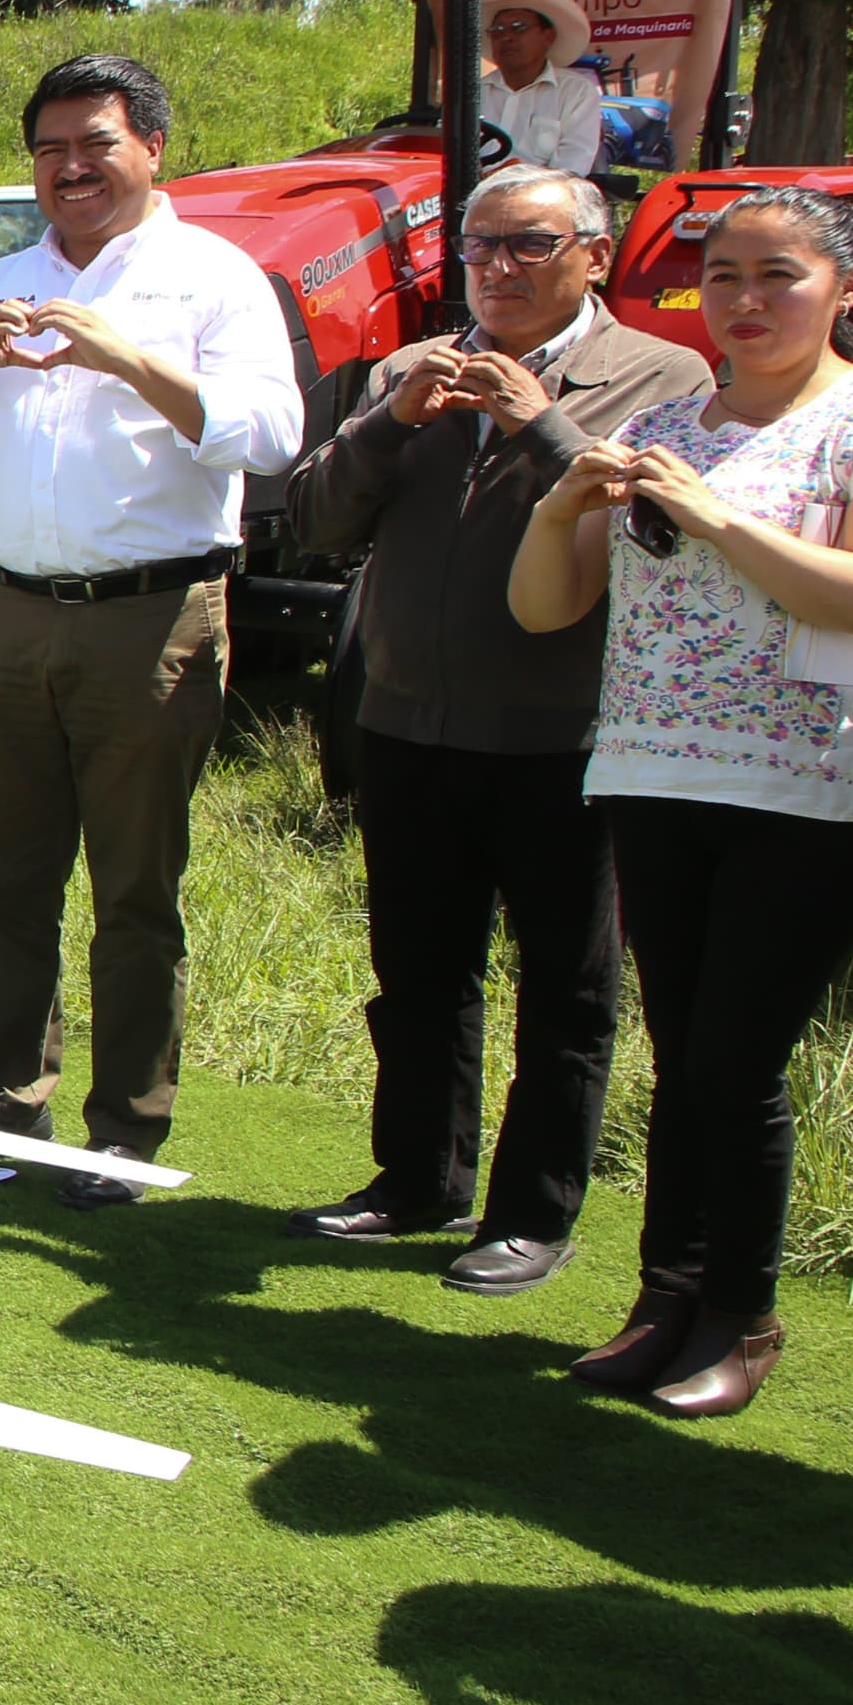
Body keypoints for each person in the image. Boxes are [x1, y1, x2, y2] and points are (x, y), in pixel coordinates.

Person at [0, 53, 304, 1196]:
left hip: (148, 615)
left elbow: (271, 434)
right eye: (48, 148)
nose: (70, 167)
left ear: (151, 147)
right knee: (5, 879)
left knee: (131, 890)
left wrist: (127, 358)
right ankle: (4, 1102)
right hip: (9, 610)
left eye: (94, 143)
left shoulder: (211, 276)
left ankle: (123, 1127)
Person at [279, 165, 709, 1289]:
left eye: (529, 245)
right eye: (479, 246)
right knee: (417, 972)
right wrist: (389, 419)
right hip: (405, 719)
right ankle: (416, 1179)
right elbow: (314, 519)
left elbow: (664, 531)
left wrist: (538, 421)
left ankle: (531, 1214)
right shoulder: (409, 370)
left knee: (565, 990)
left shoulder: (662, 374)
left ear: (594, 255)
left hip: (565, 735)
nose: (499, 268)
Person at [508, 186, 853, 1418]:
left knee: (735, 1058)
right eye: (721, 277)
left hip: (806, 785)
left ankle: (738, 1316)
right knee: (681, 1054)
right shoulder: (664, 425)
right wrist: (559, 505)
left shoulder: (850, 422)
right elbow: (543, 607)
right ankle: (665, 1297)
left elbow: (850, 596)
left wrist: (710, 517)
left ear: (843, 289)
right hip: (653, 768)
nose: (744, 301)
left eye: (777, 276)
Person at [478, 0, 606, 183]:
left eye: (519, 28)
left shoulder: (576, 92)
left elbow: (571, 167)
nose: (506, 37)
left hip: (540, 196)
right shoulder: (472, 93)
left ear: (548, 37)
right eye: (497, 31)